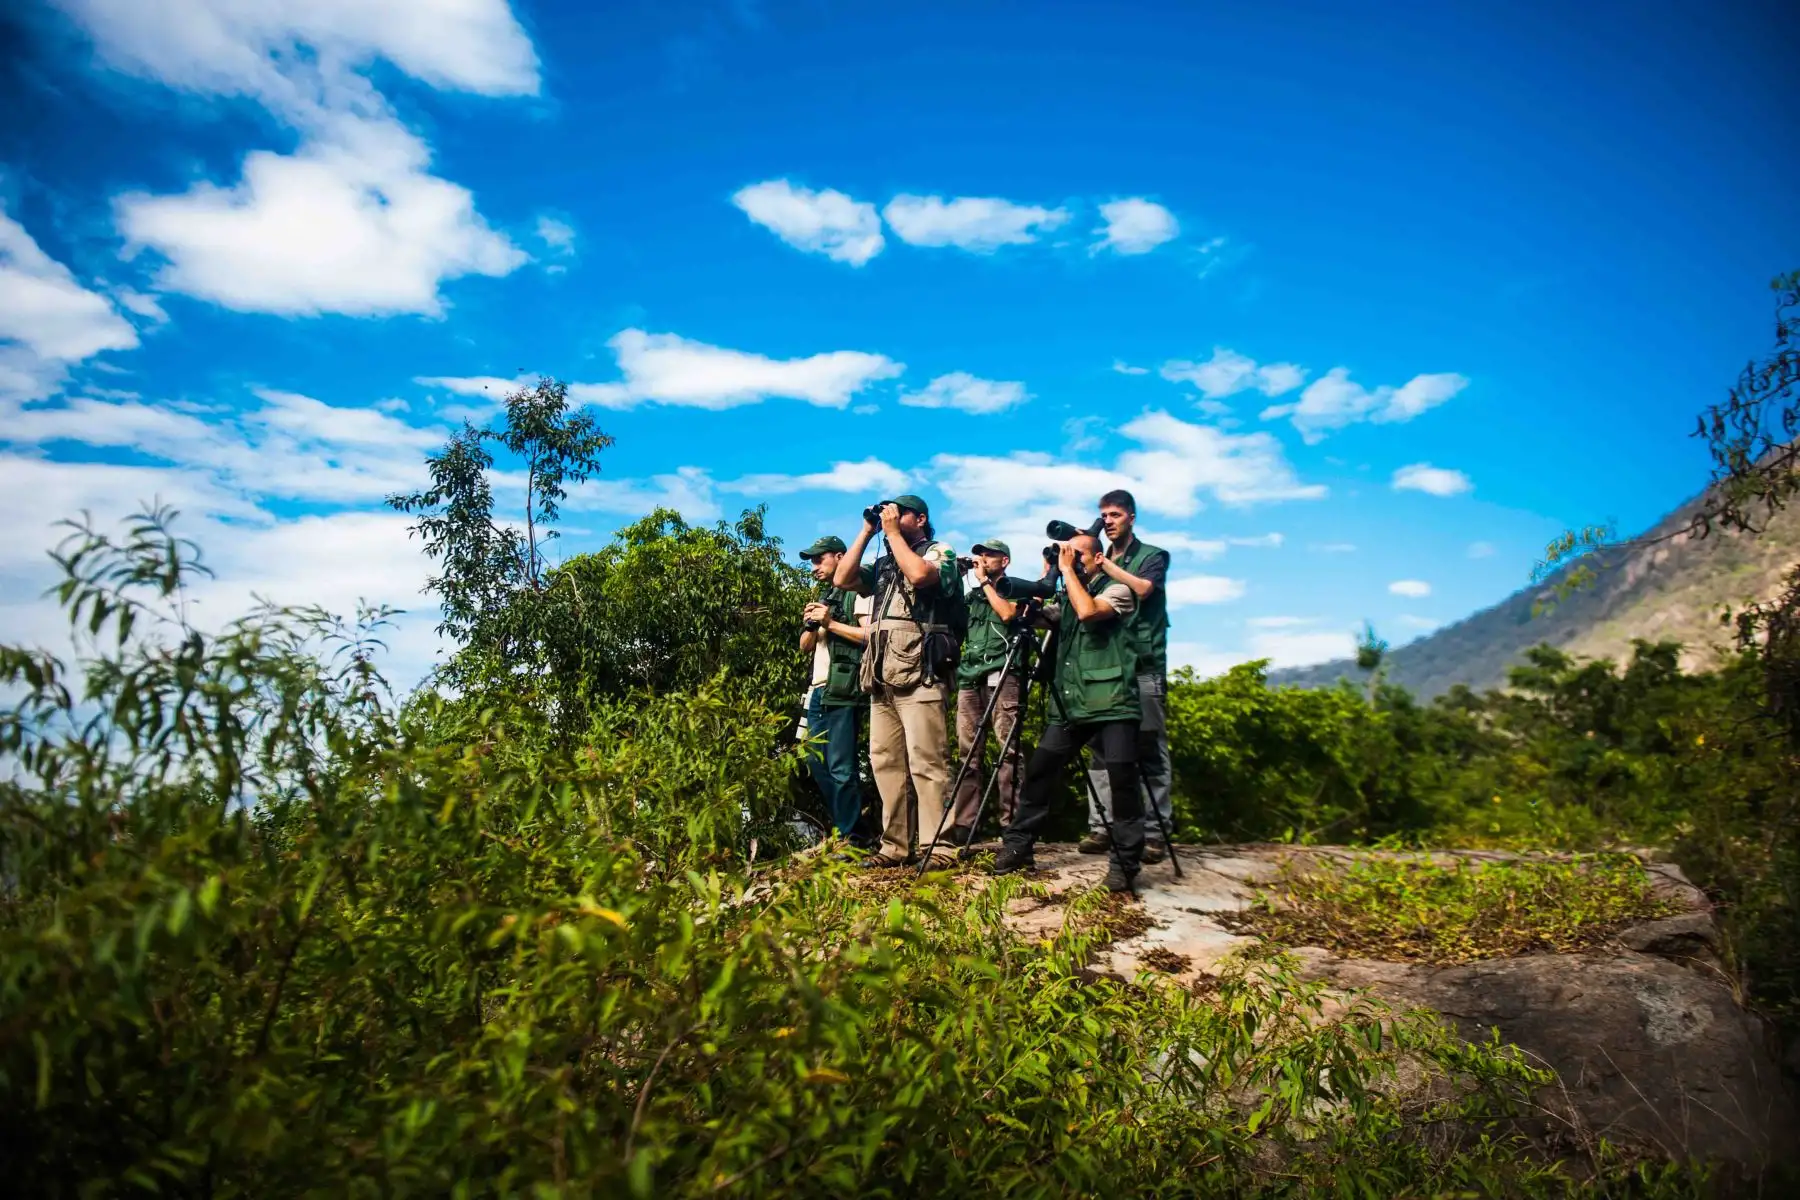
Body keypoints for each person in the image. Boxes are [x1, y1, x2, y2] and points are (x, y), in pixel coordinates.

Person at [990, 532, 1146, 892]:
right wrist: (1036, 590)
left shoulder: (1117, 589)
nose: (1070, 561)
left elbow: (1088, 612)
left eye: (1076, 556)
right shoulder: (1068, 592)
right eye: (1067, 555)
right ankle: (1019, 844)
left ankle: (1125, 862)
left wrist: (1066, 572)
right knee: (1041, 770)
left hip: (1112, 700)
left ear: (1095, 559)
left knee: (1122, 780)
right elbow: (1034, 618)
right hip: (1072, 701)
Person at [833, 494, 960, 868]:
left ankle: (938, 847)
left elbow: (921, 575)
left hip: (921, 671)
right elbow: (843, 578)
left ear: (920, 519)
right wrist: (867, 530)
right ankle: (895, 847)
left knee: (927, 762)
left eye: (899, 513)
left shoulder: (939, 551)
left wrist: (892, 533)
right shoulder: (885, 561)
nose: (891, 516)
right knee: (884, 762)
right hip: (883, 672)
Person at [1078, 489, 1175, 863]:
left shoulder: (1152, 556)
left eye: (1115, 514)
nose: (1108, 520)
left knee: (1149, 748)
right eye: (1103, 515)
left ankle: (1154, 832)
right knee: (1101, 751)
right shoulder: (1095, 562)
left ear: (1131, 517)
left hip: (1143, 666)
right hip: (1103, 669)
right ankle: (1102, 827)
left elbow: (1144, 589)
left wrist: (1103, 565)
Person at [944, 539, 1032, 846]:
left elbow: (1008, 615)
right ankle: (966, 824)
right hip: (971, 676)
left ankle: (1012, 823)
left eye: (988, 555)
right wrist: (955, 575)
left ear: (1004, 561)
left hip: (1003, 673)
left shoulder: (1016, 588)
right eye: (979, 554)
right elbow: (952, 618)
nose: (981, 558)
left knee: (1009, 751)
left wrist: (984, 582)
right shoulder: (973, 596)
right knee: (968, 753)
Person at [797, 535, 872, 845]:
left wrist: (831, 622)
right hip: (818, 689)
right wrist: (813, 624)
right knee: (814, 762)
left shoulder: (858, 592)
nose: (815, 567)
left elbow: (870, 636)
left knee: (842, 766)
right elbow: (804, 647)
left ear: (840, 557)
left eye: (819, 559)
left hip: (844, 688)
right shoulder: (827, 596)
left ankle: (854, 835)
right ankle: (846, 827)